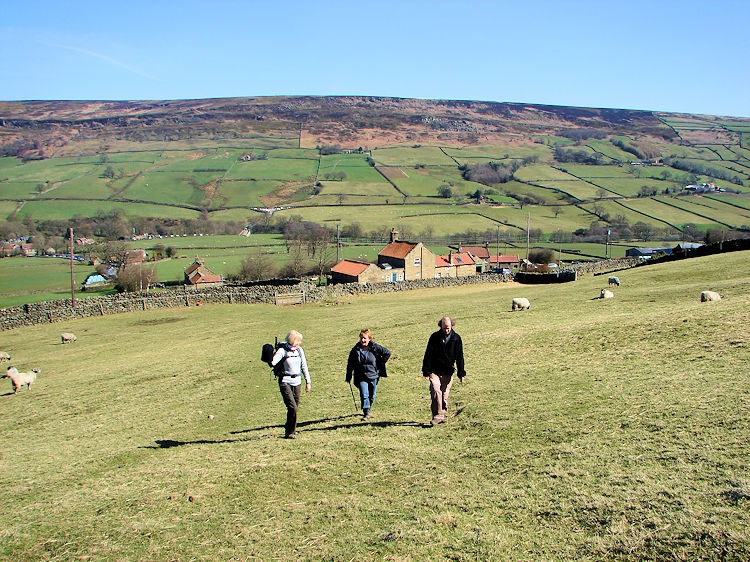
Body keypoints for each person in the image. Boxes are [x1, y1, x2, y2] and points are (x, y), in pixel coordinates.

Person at [422, 316, 465, 426]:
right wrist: (426, 371)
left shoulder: (456, 338)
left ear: (452, 326)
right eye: (445, 328)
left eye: (448, 328)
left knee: (444, 395)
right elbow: (428, 354)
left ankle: (442, 413)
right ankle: (437, 416)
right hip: (434, 370)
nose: (447, 330)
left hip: (447, 371)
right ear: (441, 326)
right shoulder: (434, 337)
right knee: (435, 390)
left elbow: (460, 357)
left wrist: (461, 373)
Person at [271, 330, 311, 439]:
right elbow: (273, 362)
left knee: (295, 407)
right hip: (285, 381)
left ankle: (290, 430)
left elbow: (304, 366)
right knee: (292, 407)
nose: (299, 343)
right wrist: (269, 356)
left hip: (297, 381)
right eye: (298, 341)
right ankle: (289, 431)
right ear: (292, 340)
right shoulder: (282, 351)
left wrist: (308, 381)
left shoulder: (299, 350)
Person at [346, 328, 391, 421]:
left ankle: (369, 407)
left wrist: (380, 363)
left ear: (369, 338)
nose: (363, 340)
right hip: (361, 376)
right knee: (364, 394)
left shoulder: (375, 347)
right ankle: (366, 412)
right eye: (361, 338)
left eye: (365, 338)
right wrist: (348, 376)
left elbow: (387, 353)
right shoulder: (355, 350)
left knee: (372, 395)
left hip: (373, 375)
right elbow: (350, 363)